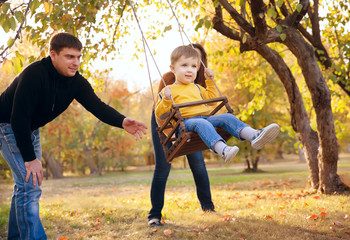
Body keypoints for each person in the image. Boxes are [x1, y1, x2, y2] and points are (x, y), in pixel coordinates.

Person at [0, 32, 147, 239]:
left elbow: (97, 106)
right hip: (7, 126)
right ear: (53, 55)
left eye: (78, 57)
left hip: (30, 129)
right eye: (69, 57)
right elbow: (18, 119)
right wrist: (30, 159)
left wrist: (122, 121)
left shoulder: (76, 82)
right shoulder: (34, 74)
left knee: (26, 185)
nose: (76, 62)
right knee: (30, 184)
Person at [155, 45, 280, 164]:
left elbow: (213, 100)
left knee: (227, 117)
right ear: (173, 69)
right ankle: (223, 150)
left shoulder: (197, 88)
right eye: (184, 65)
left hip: (206, 118)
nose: (189, 70)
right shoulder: (169, 90)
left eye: (193, 66)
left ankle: (253, 135)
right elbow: (160, 114)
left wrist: (209, 81)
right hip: (185, 124)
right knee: (201, 123)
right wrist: (166, 99)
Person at [148, 43, 215, 227]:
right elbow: (161, 109)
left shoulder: (202, 78)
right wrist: (173, 136)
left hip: (190, 122)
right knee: (163, 166)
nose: (191, 67)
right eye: (186, 63)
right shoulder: (171, 77)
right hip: (164, 121)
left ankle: (208, 208)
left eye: (196, 62)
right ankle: (154, 215)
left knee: (198, 164)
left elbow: (208, 105)